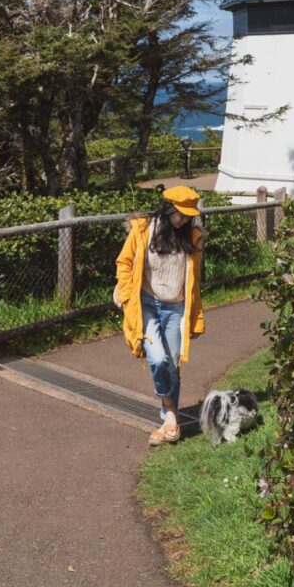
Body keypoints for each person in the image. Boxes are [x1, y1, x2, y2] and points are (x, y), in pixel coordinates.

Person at [113, 185, 205, 446]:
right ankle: (171, 412)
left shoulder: (194, 237)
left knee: (173, 364)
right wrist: (124, 289)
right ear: (168, 209)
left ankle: (168, 422)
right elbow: (125, 262)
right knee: (158, 358)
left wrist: (195, 315)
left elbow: (193, 280)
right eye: (179, 214)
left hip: (176, 307)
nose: (183, 219)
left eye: (188, 215)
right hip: (147, 303)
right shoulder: (143, 230)